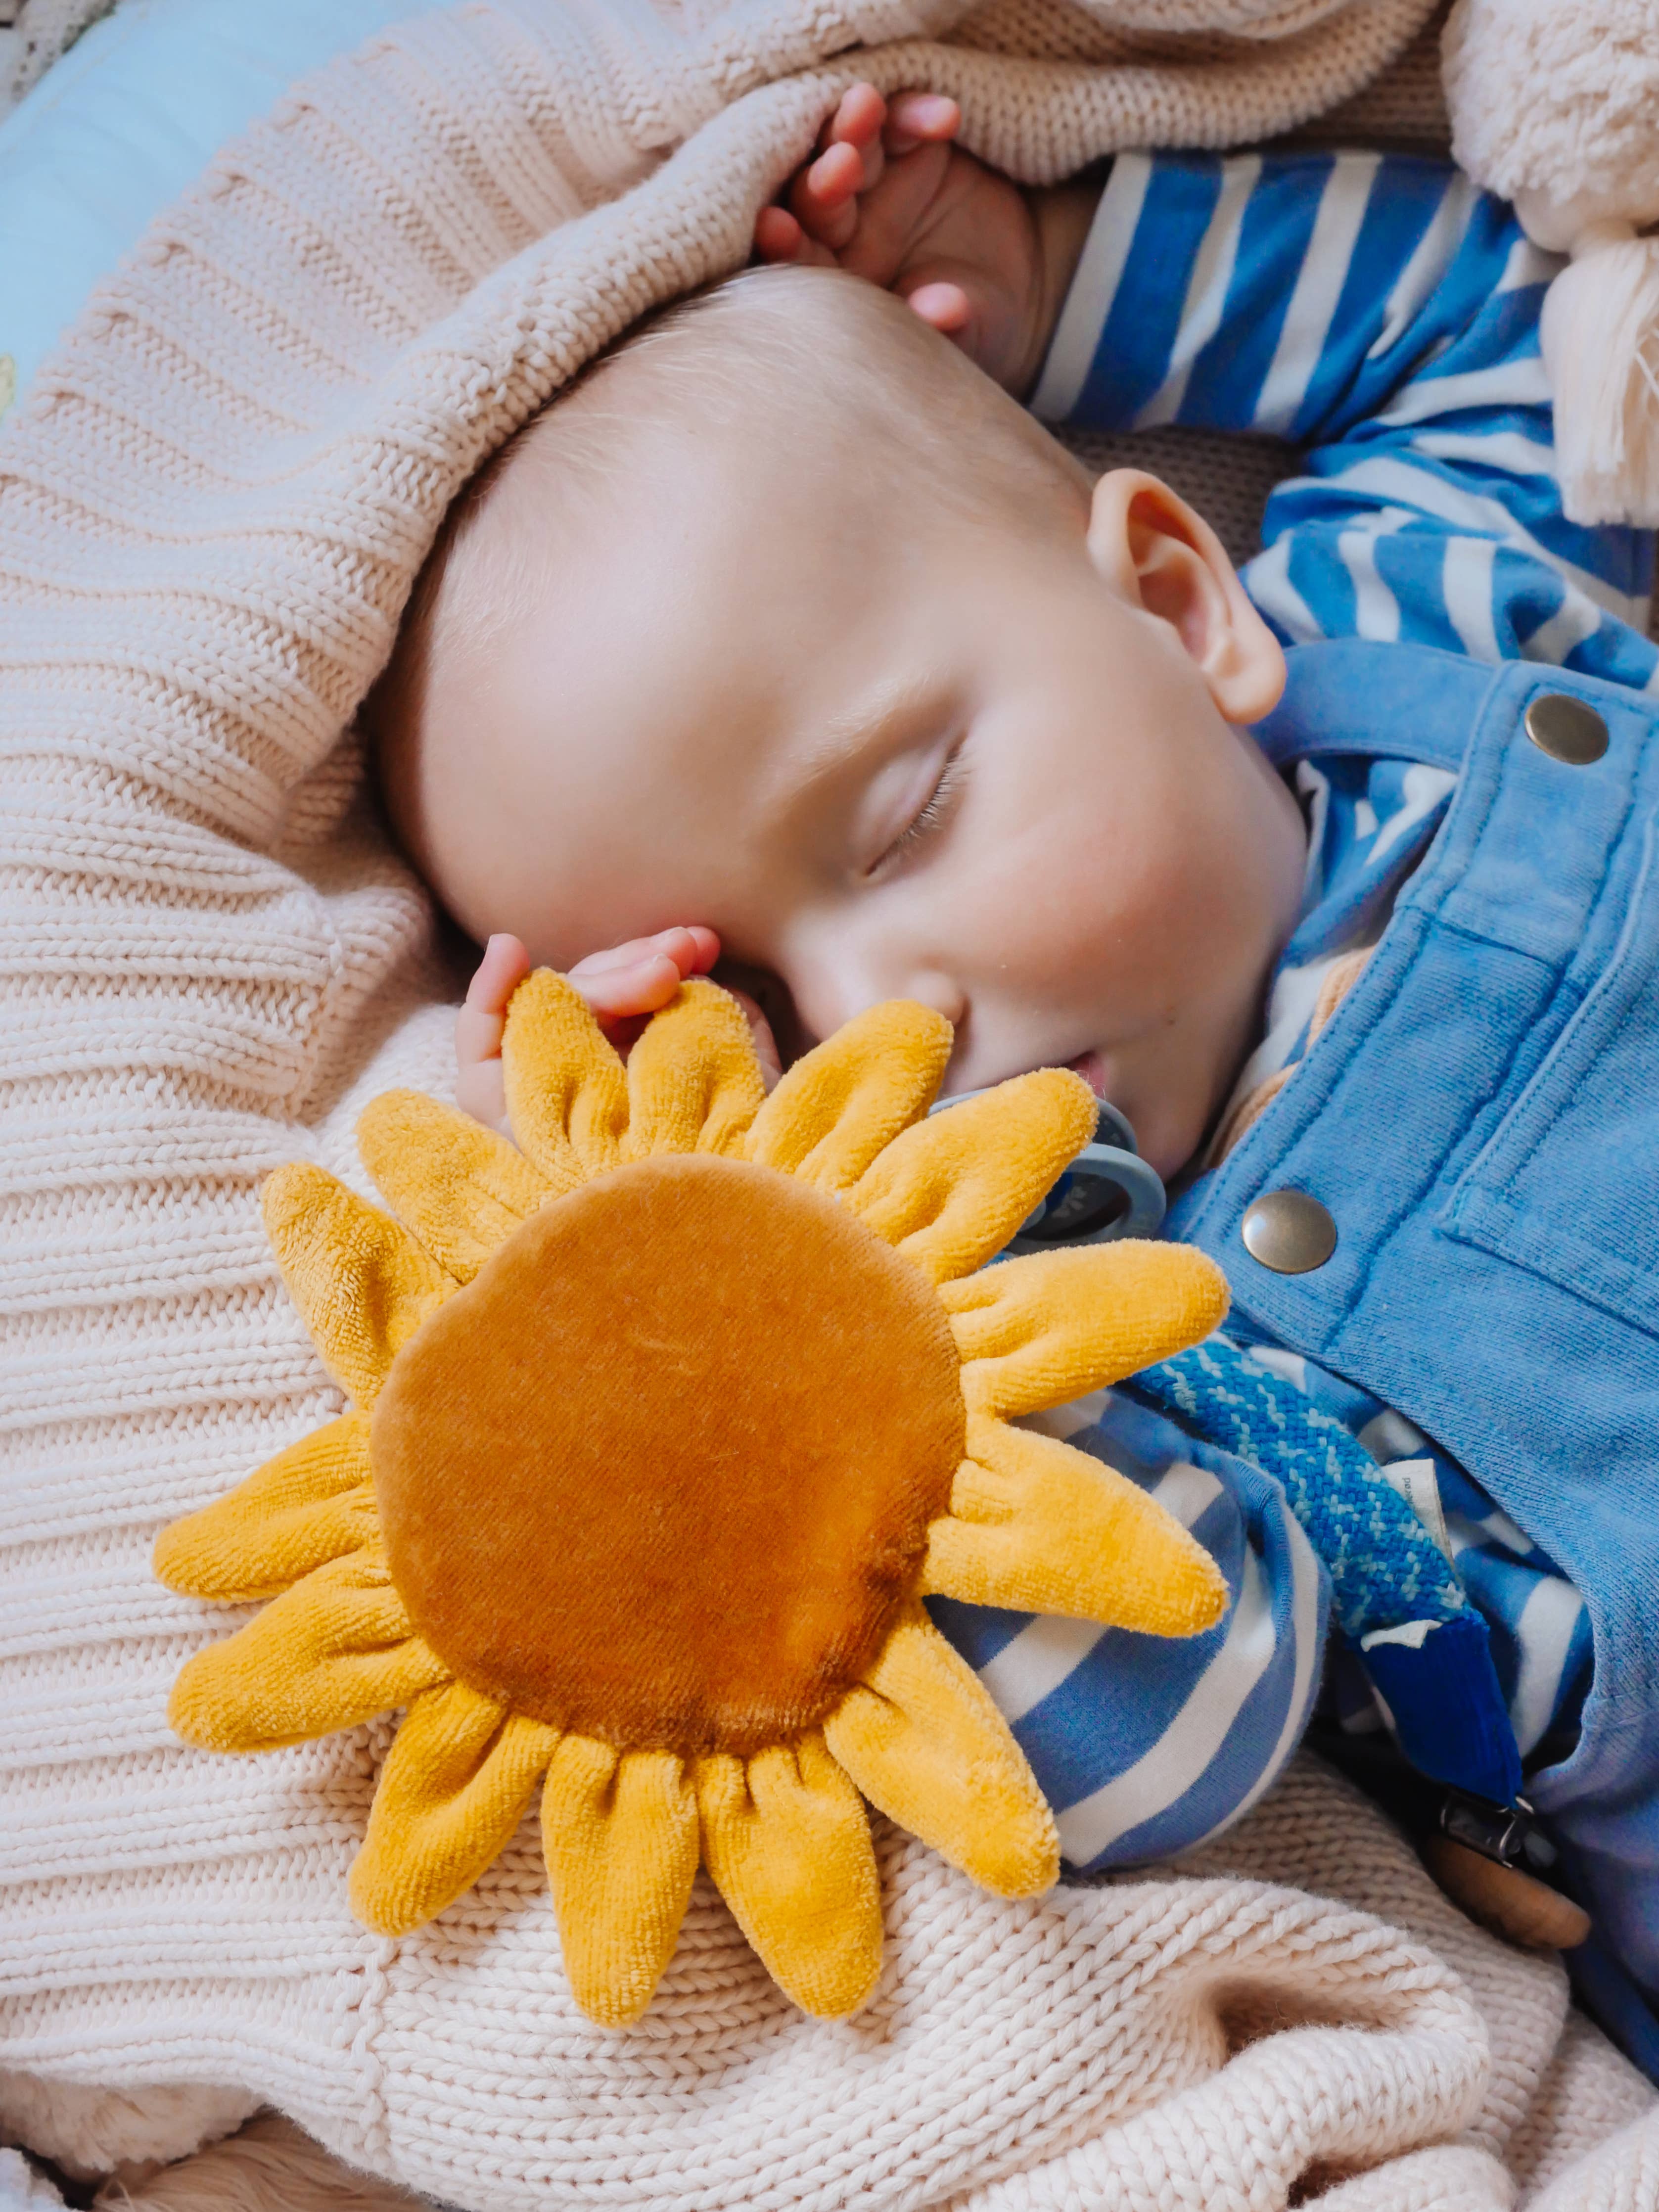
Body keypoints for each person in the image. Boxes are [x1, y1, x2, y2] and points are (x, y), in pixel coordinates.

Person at [368, 85, 1659, 2072]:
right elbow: (1160, 1748)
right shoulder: (1074, 1387)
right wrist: (642, 1257)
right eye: (772, 1025)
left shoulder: (1419, 615)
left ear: (1170, 601)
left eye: (901, 825)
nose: (892, 1022)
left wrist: (1055, 278)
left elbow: (1517, 335)